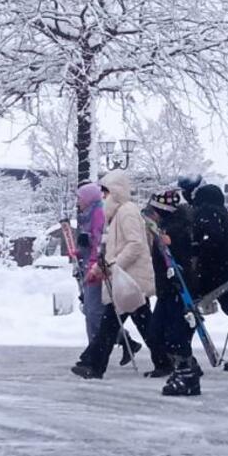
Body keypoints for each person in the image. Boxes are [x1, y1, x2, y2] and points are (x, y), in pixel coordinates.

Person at [70, 170, 171, 380]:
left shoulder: (126, 212)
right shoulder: (119, 213)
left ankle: (94, 365)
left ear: (115, 192)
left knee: (111, 323)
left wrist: (113, 265)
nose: (103, 197)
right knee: (139, 323)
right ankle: (164, 361)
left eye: (105, 192)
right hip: (126, 279)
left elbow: (135, 244)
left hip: (129, 279)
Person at [177, 174, 228, 369]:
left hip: (213, 269)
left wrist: (194, 248)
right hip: (224, 267)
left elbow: (211, 239)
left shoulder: (205, 209)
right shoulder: (213, 205)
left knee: (190, 307)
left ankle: (179, 351)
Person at [144, 189, 204, 396]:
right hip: (166, 288)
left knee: (175, 333)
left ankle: (187, 374)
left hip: (179, 287)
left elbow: (186, 252)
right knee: (156, 331)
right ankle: (185, 367)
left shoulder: (180, 228)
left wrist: (172, 242)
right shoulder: (166, 227)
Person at [75, 183, 142, 362]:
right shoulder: (87, 215)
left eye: (79, 197)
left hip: (96, 269)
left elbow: (101, 242)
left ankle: (96, 352)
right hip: (91, 266)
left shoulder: (98, 213)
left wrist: (94, 263)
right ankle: (111, 345)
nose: (77, 201)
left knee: (94, 311)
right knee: (92, 311)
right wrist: (80, 250)